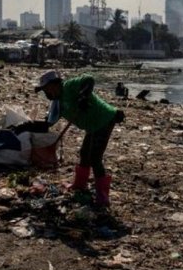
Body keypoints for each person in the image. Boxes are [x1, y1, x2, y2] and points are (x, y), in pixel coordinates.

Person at [35, 71, 124, 207]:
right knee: (84, 153)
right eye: (44, 90)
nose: (47, 92)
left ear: (55, 84)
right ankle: (80, 185)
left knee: (95, 157)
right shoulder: (58, 103)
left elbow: (89, 79)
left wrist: (83, 96)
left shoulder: (68, 86)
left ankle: (102, 196)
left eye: (47, 88)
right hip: (92, 126)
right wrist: (26, 126)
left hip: (103, 119)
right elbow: (49, 122)